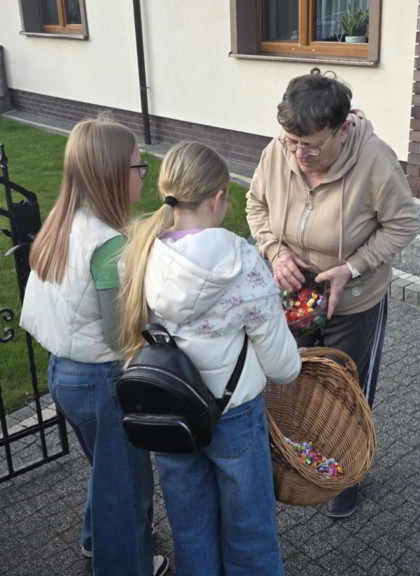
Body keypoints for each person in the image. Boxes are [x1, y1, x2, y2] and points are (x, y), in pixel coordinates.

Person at [118, 141, 301, 576]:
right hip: (233, 416)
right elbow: (282, 366)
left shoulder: (141, 254)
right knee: (250, 531)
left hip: (169, 416)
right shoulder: (243, 263)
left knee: (191, 529)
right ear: (218, 198)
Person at [246, 68, 420, 518]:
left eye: (311, 145)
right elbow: (256, 204)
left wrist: (353, 267)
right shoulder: (277, 151)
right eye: (291, 142)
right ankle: (305, 465)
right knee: (296, 381)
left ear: (343, 130)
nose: (299, 154)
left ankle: (347, 472)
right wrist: (274, 251)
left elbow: (403, 224)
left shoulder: (376, 160)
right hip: (295, 300)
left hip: (354, 301)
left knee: (346, 389)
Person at [19, 117, 167, 576]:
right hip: (102, 380)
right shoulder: (107, 243)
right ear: (111, 175)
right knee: (127, 487)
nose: (143, 173)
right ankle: (126, 564)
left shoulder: (66, 221)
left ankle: (93, 538)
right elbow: (117, 333)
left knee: (107, 474)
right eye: (137, 166)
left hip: (63, 374)